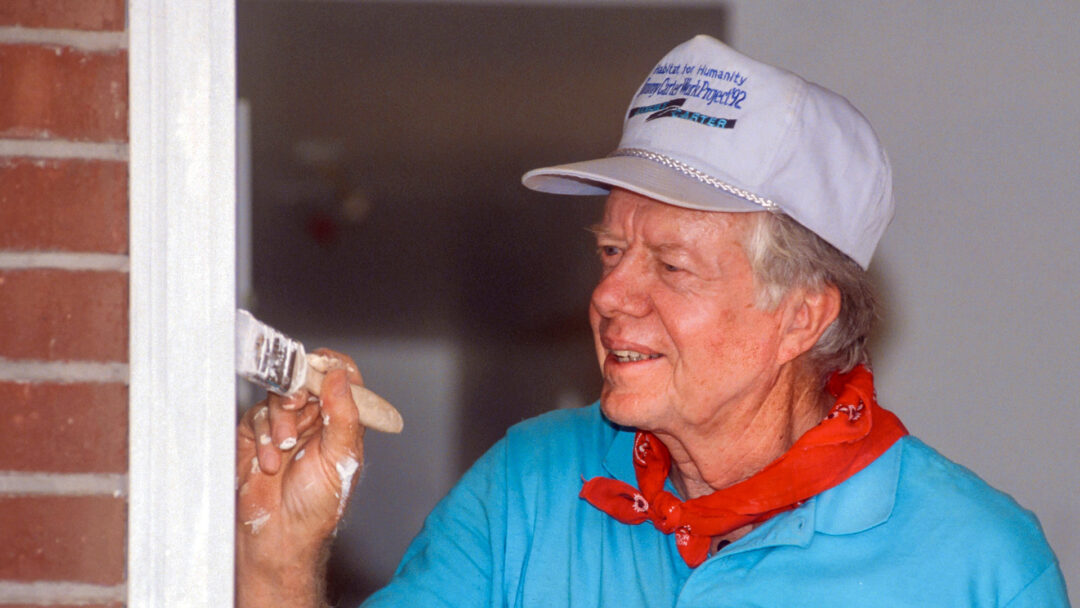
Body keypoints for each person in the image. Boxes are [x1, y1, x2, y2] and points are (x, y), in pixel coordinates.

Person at [235, 35, 1069, 607]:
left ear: (803, 317)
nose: (610, 297)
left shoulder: (979, 566)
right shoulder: (528, 486)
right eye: (610, 253)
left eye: (670, 266)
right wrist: (280, 558)